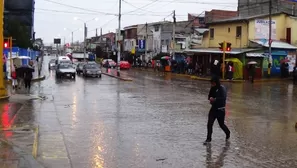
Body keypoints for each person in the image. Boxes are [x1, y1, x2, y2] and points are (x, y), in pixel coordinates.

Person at [204, 76, 230, 144]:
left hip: (220, 110)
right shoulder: (212, 88)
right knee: (209, 123)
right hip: (213, 109)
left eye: (213, 83)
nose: (212, 84)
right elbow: (209, 96)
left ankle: (228, 133)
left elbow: (223, 98)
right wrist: (210, 98)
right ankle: (208, 139)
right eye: (211, 83)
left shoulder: (222, 88)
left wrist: (215, 99)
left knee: (221, 124)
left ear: (216, 82)